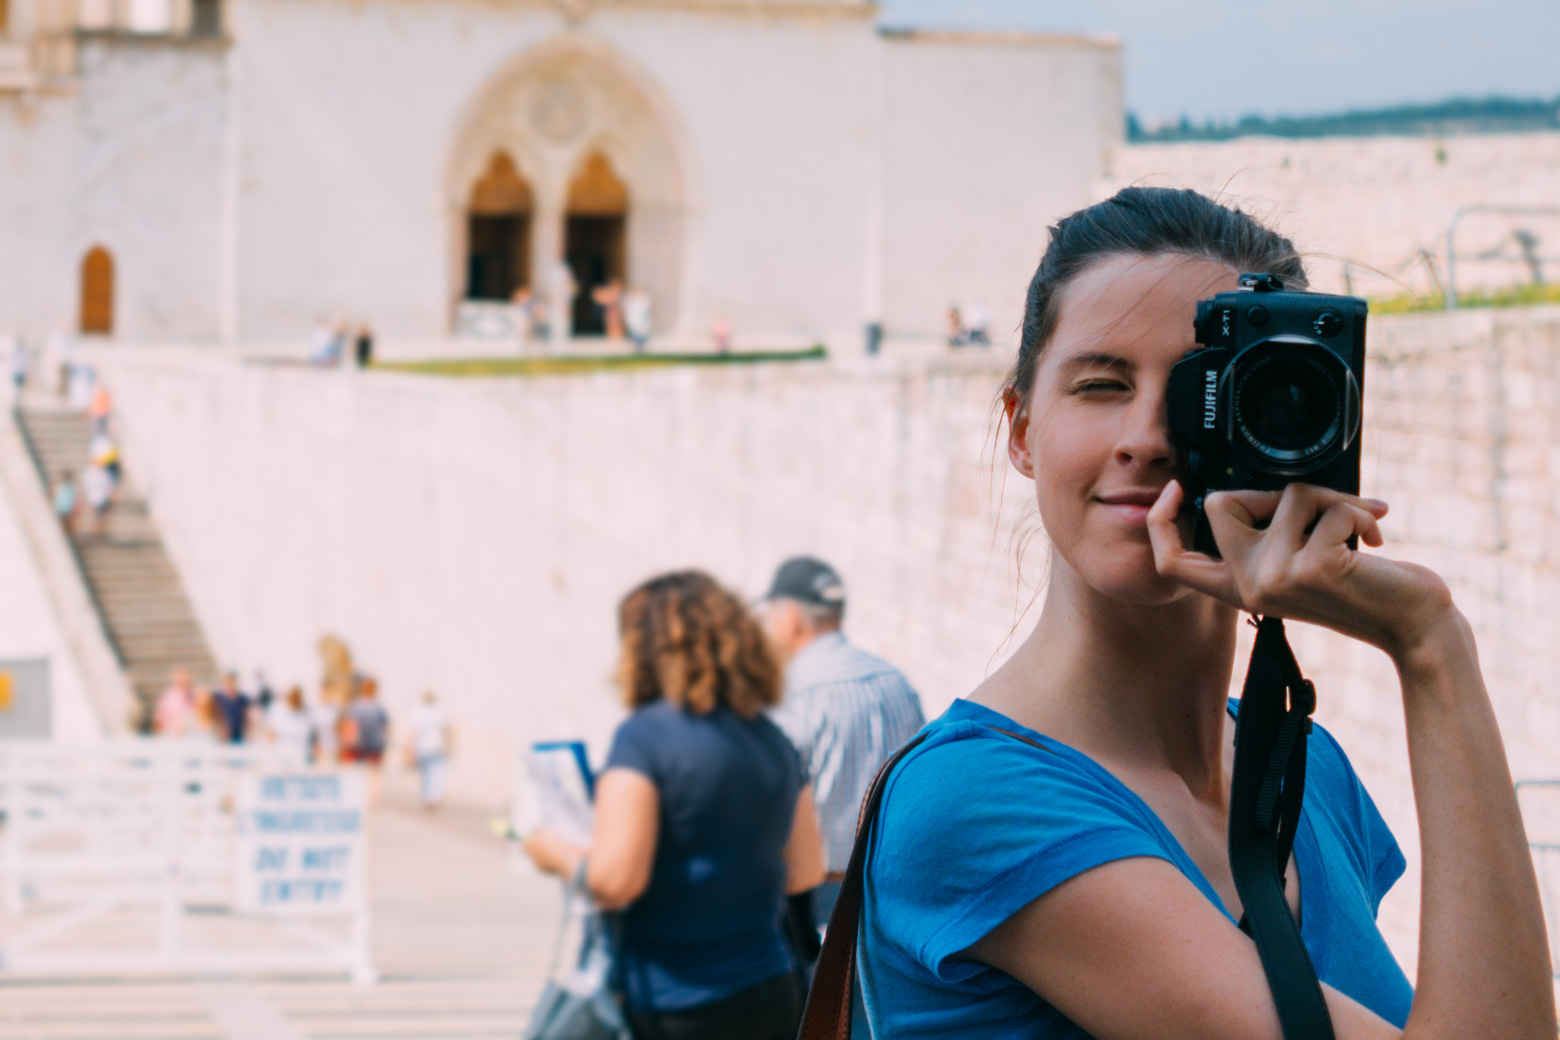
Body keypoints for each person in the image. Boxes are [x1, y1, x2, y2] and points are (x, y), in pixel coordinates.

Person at [856, 187, 1555, 1040]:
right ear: (1022, 428)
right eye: (1102, 384)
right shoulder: (974, 803)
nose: (1148, 437)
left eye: (1201, 391)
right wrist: (1430, 645)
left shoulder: (1306, 772)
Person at [522, 570, 826, 1040]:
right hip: (771, 987)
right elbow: (806, 871)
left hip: (678, 999)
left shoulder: (645, 739)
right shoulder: (774, 740)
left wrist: (550, 850)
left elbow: (616, 881)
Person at [763, 556, 925, 929]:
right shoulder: (895, 683)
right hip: (893, 897)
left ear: (789, 616)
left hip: (817, 905)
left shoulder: (791, 697)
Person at [406, 691, 451, 810]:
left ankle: (428, 798)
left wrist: (410, 749)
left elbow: (413, 733)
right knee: (436, 774)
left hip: (423, 748)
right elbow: (448, 729)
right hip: (437, 747)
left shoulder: (418, 712)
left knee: (426, 774)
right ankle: (434, 798)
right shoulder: (440, 712)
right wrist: (449, 744)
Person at [343, 676, 389, 766]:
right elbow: (351, 725)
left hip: (374, 747)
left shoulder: (378, 707)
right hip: (359, 748)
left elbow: (384, 727)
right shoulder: (357, 706)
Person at [265, 686, 315, 762]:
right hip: (282, 757)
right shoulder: (278, 710)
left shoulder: (307, 712)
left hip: (302, 757)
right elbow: (271, 735)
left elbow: (311, 735)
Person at [153, 669, 197, 736]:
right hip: (171, 734)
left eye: (185, 680)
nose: (183, 682)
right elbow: (158, 719)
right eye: (181, 680)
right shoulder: (168, 695)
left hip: (192, 733)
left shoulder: (196, 695)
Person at [211, 671, 251, 744]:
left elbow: (246, 715)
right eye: (227, 682)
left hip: (238, 733)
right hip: (223, 732)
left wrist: (247, 732)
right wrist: (221, 727)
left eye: (232, 681)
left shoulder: (242, 698)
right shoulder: (218, 697)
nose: (230, 684)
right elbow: (215, 714)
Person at [80, 462, 113, 538]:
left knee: (101, 517)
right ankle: (96, 532)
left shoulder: (104, 473)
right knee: (95, 517)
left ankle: (100, 532)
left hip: (102, 498)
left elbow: (108, 485)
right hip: (93, 499)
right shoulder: (90, 473)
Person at [623, 287, 652, 353]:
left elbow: (646, 306)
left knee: (641, 336)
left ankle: (641, 348)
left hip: (641, 323)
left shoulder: (643, 299)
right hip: (634, 323)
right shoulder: (630, 300)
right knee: (635, 336)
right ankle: (637, 348)